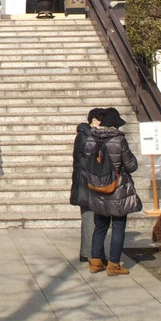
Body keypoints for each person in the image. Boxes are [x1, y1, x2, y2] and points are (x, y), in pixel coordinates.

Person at [82, 107, 141, 276]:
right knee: (118, 225)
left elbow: (87, 161)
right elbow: (131, 165)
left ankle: (95, 261)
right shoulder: (118, 140)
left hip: (97, 187)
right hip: (116, 188)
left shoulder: (90, 139)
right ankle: (114, 264)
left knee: (100, 225)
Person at [69, 108, 104, 263]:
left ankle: (85, 252)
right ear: (94, 121)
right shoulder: (86, 136)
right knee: (90, 218)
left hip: (83, 180)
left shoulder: (85, 135)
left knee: (87, 217)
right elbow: (91, 154)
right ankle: (93, 255)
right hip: (85, 181)